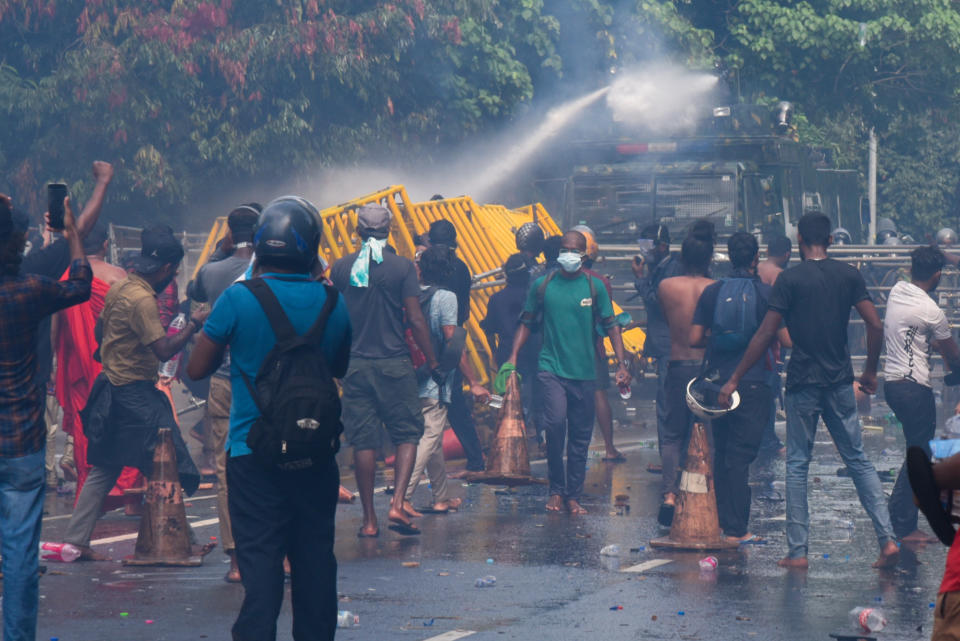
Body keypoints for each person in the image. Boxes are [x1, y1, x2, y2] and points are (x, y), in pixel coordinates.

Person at [188, 196, 351, 641]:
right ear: (310, 246)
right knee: (315, 561)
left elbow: (197, 369)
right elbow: (336, 367)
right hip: (315, 452)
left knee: (260, 568)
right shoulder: (332, 302)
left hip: (251, 452)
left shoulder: (237, 300)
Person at [717, 212, 898, 569]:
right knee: (858, 461)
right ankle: (887, 540)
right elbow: (875, 323)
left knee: (798, 465)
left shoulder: (790, 279)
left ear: (799, 240)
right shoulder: (849, 275)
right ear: (830, 241)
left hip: (802, 382)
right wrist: (871, 370)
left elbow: (766, 333)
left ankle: (798, 552)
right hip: (840, 380)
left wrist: (735, 377)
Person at [63, 225, 204, 560]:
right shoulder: (141, 299)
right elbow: (163, 349)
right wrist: (194, 324)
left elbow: (100, 331)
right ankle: (186, 538)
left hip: (110, 386)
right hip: (134, 395)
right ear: (168, 270)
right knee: (169, 461)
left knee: (106, 466)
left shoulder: (121, 288)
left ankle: (75, 541)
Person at [0, 194, 91, 641]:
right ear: (16, 243)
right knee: (18, 554)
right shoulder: (27, 291)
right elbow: (80, 285)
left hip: (21, 445)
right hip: (20, 443)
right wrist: (72, 232)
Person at [329, 204, 439, 537]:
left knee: (364, 442)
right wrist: (433, 361)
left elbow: (334, 317)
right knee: (406, 432)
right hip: (394, 362)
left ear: (359, 232)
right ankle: (397, 504)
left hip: (355, 365)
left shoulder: (341, 268)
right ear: (388, 230)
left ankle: (368, 521)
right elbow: (416, 318)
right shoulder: (402, 267)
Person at [507, 231, 631, 514]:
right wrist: (513, 356)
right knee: (555, 424)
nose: (568, 254)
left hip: (585, 372)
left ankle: (573, 495)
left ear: (584, 254)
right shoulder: (542, 285)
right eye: (564, 249)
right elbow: (526, 322)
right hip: (551, 368)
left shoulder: (594, 287)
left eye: (574, 250)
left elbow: (611, 325)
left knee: (580, 436)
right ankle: (556, 489)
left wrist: (621, 364)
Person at [690, 232, 791, 542]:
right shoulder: (766, 294)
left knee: (722, 452)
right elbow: (786, 340)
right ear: (755, 259)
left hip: (717, 383)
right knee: (740, 457)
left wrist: (724, 341)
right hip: (755, 383)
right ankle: (737, 529)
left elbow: (695, 339)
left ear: (729, 256)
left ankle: (721, 521)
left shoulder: (711, 293)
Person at [189, 204, 260, 583]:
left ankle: (236, 562)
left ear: (231, 234)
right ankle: (276, 554)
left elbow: (194, 290)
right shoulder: (270, 270)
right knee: (268, 467)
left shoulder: (213, 272)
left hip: (221, 381)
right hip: (262, 384)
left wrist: (221, 249)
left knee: (225, 473)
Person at [53, 223, 142, 508]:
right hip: (114, 367)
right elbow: (134, 325)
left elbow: (55, 331)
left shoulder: (65, 279)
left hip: (78, 367)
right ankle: (129, 497)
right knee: (123, 425)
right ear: (105, 244)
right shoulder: (118, 277)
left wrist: (57, 366)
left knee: (85, 429)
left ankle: (90, 498)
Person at [403, 245, 489, 517]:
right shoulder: (446, 297)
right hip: (436, 378)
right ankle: (402, 497)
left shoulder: (411, 294)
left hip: (412, 374)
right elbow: (453, 340)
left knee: (434, 439)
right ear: (449, 270)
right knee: (429, 437)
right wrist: (473, 382)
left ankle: (440, 498)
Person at [883, 246, 960, 543]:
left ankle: (899, 516)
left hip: (893, 384)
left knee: (915, 449)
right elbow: (952, 355)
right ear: (938, 275)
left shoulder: (896, 291)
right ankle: (903, 524)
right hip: (915, 388)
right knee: (920, 452)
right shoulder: (932, 311)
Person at [655, 225, 715, 526]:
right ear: (709, 258)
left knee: (672, 435)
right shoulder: (715, 287)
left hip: (677, 364)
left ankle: (669, 494)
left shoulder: (666, 286)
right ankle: (703, 492)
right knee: (706, 433)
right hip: (706, 368)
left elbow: (669, 322)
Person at [427, 219, 486, 474]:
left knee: (426, 401)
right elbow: (464, 310)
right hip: (456, 334)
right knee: (455, 404)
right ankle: (475, 459)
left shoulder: (425, 263)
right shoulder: (462, 268)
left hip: (426, 337)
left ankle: (419, 466)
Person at [631, 224, 683, 464]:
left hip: (668, 346)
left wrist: (640, 279)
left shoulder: (671, 269)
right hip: (664, 345)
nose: (645, 251)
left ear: (663, 245)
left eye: (649, 246)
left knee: (667, 404)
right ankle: (671, 458)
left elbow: (656, 301)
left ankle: (671, 460)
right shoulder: (660, 268)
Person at [574, 225, 624, 461]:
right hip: (594, 348)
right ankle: (610, 448)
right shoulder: (601, 282)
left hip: (565, 349)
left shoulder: (557, 279)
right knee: (599, 395)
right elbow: (608, 320)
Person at [481, 254, 540, 437]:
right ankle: (530, 433)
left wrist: (493, 352)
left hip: (505, 355)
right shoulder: (533, 297)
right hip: (531, 355)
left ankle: (502, 429)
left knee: (502, 395)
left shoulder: (496, 299)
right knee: (530, 398)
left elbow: (489, 329)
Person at [757, 234, 792, 456]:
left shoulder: (756, 268)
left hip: (752, 336)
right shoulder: (780, 276)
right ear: (787, 254)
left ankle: (762, 438)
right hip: (772, 342)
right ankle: (767, 440)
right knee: (769, 392)